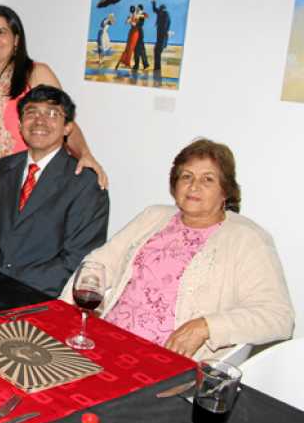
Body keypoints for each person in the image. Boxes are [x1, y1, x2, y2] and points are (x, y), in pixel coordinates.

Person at [60, 139, 295, 361]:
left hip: (167, 362)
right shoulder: (154, 216)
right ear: (175, 185)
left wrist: (206, 326)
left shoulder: (247, 238)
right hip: (107, 339)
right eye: (186, 176)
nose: (194, 186)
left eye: (207, 179)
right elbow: (99, 263)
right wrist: (64, 316)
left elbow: (278, 317)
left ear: (225, 191)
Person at [0, 5, 106, 231]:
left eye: (1, 32)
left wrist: (85, 154)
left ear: (16, 40)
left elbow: (63, 121)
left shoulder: (35, 73)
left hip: (22, 181)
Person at [0, 85, 109, 296]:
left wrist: (10, 284)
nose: (40, 121)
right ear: (20, 124)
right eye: (31, 112)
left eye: (52, 114)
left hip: (43, 295)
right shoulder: (2, 169)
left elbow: (76, 259)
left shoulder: (85, 183)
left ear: (67, 127)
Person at [115, 6, 139, 70]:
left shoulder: (134, 16)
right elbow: (129, 23)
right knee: (129, 48)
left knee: (129, 48)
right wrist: (130, 20)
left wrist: (130, 20)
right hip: (133, 33)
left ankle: (124, 62)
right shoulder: (133, 16)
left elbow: (130, 23)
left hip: (134, 33)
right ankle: (126, 63)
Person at [152, 0, 171, 72]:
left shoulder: (165, 14)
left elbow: (165, 26)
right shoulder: (162, 12)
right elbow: (155, 10)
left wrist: (165, 33)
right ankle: (157, 68)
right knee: (157, 51)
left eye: (160, 10)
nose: (158, 12)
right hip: (160, 37)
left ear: (163, 9)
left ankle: (157, 68)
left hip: (162, 37)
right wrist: (154, 2)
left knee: (157, 51)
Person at [132, 4, 150, 70]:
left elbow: (146, 17)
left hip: (139, 34)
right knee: (138, 50)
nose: (136, 8)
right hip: (136, 34)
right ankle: (141, 64)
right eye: (136, 8)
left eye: (137, 8)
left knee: (140, 50)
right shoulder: (136, 14)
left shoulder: (142, 14)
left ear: (140, 9)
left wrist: (135, 22)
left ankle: (142, 64)